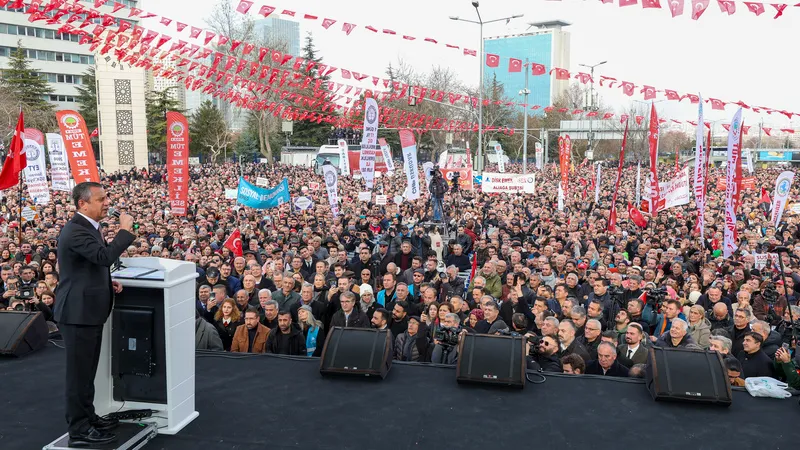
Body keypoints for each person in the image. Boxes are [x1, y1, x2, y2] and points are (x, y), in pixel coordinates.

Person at [54, 182, 136, 447]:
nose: (107, 203)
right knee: (78, 375)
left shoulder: (89, 228)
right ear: (83, 204)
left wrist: (104, 283)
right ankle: (78, 430)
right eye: (101, 199)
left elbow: (86, 267)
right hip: (77, 313)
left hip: (88, 309)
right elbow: (103, 257)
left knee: (87, 371)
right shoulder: (76, 230)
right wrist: (124, 230)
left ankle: (88, 417)